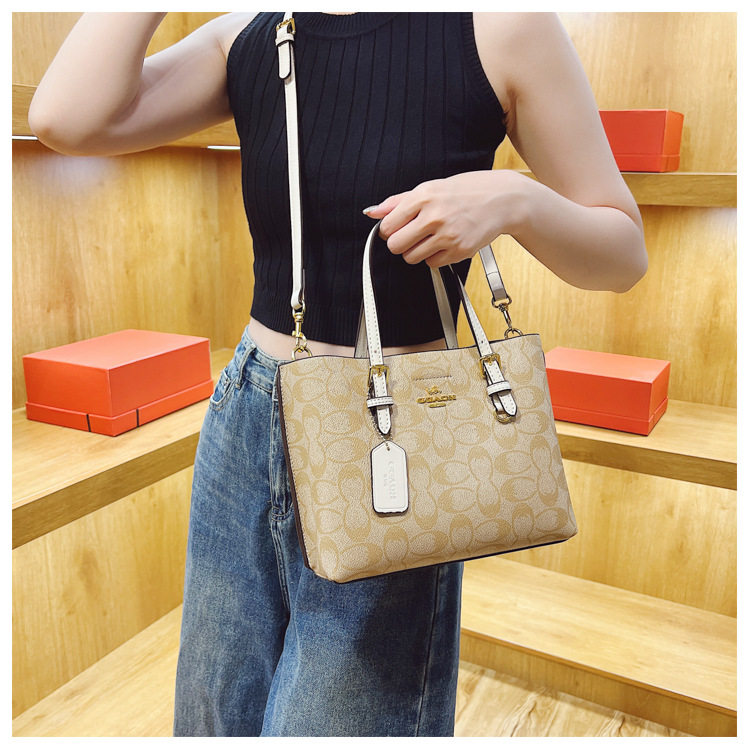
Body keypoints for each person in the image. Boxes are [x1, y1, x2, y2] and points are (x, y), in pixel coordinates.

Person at [29, 12, 648, 737]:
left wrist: (515, 199)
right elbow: (66, 119)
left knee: (344, 722)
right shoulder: (253, 33)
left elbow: (623, 254)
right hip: (252, 410)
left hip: (399, 437)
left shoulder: (500, 26)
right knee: (216, 716)